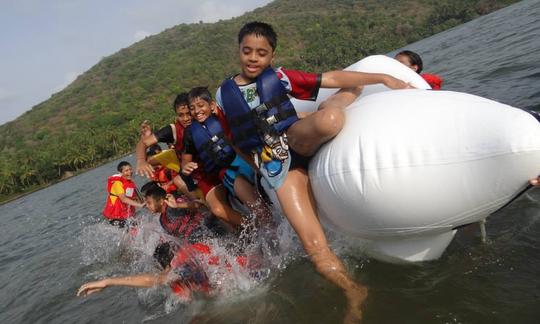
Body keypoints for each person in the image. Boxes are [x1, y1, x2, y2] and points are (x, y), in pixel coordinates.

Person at [214, 21, 413, 322]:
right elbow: (233, 137)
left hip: (296, 136)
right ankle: (354, 292)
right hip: (277, 165)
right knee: (314, 247)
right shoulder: (222, 96)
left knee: (330, 120)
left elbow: (330, 77)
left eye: (261, 53)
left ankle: (349, 95)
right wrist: (255, 163)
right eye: (247, 51)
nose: (253, 58)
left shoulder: (279, 77)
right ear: (239, 50)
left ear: (271, 56)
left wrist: (383, 77)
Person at [182, 87, 272, 228]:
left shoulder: (223, 117)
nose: (197, 111)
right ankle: (270, 231)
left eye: (201, 106)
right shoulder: (190, 133)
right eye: (192, 108)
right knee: (259, 209)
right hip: (228, 172)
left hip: (245, 159)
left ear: (211, 105)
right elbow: (185, 160)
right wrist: (185, 166)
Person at [135, 93, 196, 198]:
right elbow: (144, 144)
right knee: (178, 180)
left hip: (210, 167)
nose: (186, 119)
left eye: (188, 113)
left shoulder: (203, 117)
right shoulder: (172, 130)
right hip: (191, 174)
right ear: (176, 115)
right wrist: (141, 160)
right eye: (181, 115)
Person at [102, 161, 145, 227]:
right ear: (120, 173)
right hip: (115, 217)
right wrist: (140, 205)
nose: (130, 172)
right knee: (134, 228)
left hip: (125, 215)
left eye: (130, 169)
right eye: (126, 170)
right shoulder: (117, 183)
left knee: (139, 225)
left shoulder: (130, 183)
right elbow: (123, 199)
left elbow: (138, 198)